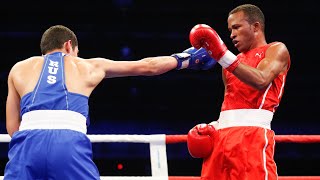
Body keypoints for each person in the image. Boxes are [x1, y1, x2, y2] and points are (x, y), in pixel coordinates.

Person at [4, 25, 215, 180]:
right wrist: (184, 59)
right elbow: (147, 66)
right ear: (69, 46)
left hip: (26, 147)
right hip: (67, 145)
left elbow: (13, 128)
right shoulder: (87, 65)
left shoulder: (19, 69)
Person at [186, 4, 290, 180]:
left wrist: (222, 56)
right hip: (221, 140)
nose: (231, 34)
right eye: (229, 30)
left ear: (256, 26)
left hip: (251, 137)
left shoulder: (275, 49)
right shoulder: (229, 65)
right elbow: (229, 103)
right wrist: (214, 126)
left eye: (236, 27)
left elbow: (261, 80)